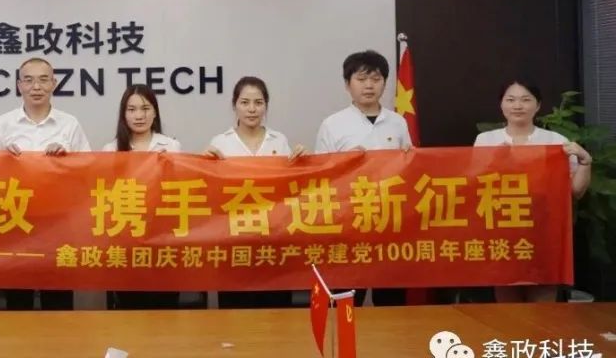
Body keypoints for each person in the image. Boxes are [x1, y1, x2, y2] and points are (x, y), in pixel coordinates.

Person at [0, 57, 91, 310]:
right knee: (18, 301)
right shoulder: (3, 123)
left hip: (59, 225)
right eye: (29, 80)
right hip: (16, 222)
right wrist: (3, 160)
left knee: (58, 301)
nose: (36, 87)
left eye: (43, 80)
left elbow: (89, 171)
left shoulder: (70, 124)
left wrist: (68, 159)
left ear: (54, 83)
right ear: (19, 85)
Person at [474, 79, 592, 303]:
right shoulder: (485, 140)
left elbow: (575, 191)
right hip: (503, 231)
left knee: (543, 304)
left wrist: (585, 162)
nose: (518, 106)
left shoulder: (556, 142)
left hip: (544, 232)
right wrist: (494, 162)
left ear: (537, 105)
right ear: (501, 104)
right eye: (511, 100)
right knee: (507, 305)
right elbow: (474, 185)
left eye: (526, 100)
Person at [314, 50, 412, 307]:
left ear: (385, 83)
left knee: (390, 299)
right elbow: (319, 176)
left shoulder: (398, 123)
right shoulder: (332, 124)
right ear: (348, 84)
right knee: (346, 297)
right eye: (361, 79)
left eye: (376, 79)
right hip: (348, 221)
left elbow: (410, 169)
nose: (369, 85)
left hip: (389, 222)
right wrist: (343, 162)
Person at [204, 76, 301, 308]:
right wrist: (204, 163)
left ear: (266, 106)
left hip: (274, 242)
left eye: (258, 103)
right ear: (234, 105)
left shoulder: (279, 140)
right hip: (233, 243)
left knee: (276, 313)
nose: (251, 109)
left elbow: (292, 188)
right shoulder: (220, 142)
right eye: (245, 102)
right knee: (236, 313)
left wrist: (303, 163)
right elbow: (209, 194)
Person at [102, 85, 186, 309]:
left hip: (164, 240)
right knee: (130, 309)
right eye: (132, 110)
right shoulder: (110, 150)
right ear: (124, 114)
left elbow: (182, 190)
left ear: (155, 112)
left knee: (165, 308)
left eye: (145, 108)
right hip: (126, 240)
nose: (139, 115)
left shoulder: (171, 146)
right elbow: (104, 196)